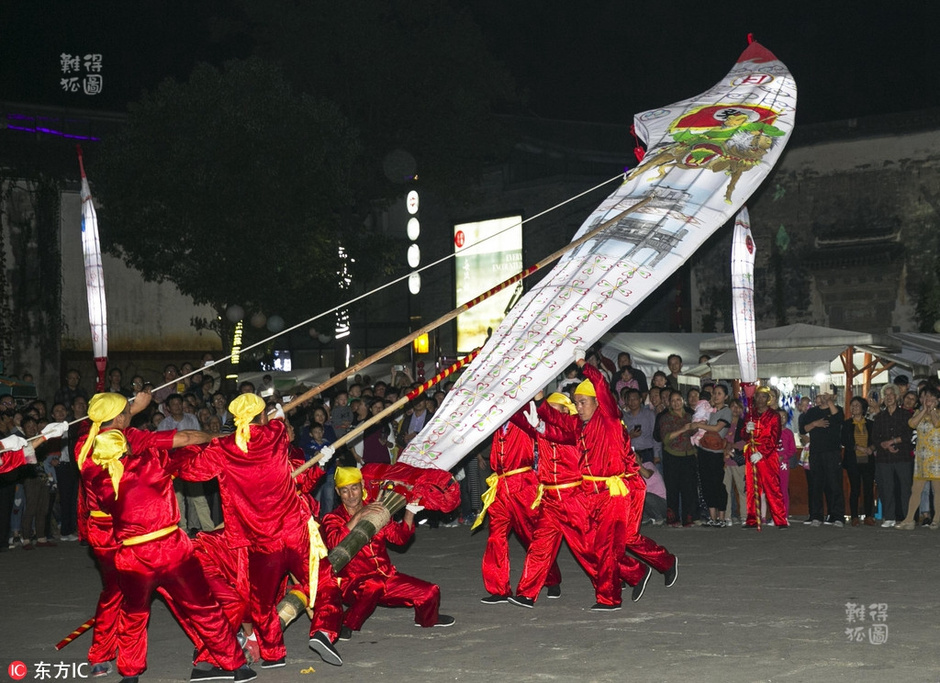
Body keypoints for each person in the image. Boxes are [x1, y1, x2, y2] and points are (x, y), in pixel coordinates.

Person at [77, 393, 253, 683]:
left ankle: (130, 674)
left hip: (129, 555)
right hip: (171, 549)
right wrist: (225, 440)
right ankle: (237, 666)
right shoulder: (151, 460)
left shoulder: (93, 470)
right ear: (124, 435)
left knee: (133, 616)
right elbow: (187, 446)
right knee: (204, 608)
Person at [183, 394, 344, 668]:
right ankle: (323, 629)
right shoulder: (276, 432)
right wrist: (275, 416)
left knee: (261, 603)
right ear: (261, 417)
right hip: (293, 531)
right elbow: (275, 426)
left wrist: (184, 447)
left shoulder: (222, 447)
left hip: (261, 540)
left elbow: (191, 471)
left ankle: (272, 653)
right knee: (325, 581)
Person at [526, 353, 677, 611]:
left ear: (598, 402)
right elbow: (558, 420)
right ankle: (662, 562)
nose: (579, 407)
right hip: (590, 494)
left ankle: (609, 598)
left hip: (615, 491)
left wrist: (584, 364)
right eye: (576, 403)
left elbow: (601, 387)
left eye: (583, 402)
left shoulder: (606, 416)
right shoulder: (580, 424)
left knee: (608, 545)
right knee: (619, 540)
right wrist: (540, 403)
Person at [323, 466, 454, 635]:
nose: (351, 495)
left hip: (386, 576)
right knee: (373, 585)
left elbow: (400, 539)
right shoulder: (333, 518)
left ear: (362, 485)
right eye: (345, 491)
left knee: (431, 591)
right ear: (337, 492)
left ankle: (428, 619)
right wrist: (358, 516)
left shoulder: (377, 509)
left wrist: (410, 512)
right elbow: (335, 544)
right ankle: (346, 625)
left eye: (354, 488)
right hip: (352, 585)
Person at [474, 407, 561, 604]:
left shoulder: (524, 416)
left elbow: (536, 428)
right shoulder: (497, 421)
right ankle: (499, 589)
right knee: (495, 537)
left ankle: (551, 578)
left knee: (532, 535)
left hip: (523, 484)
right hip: (500, 486)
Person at [742, 387, 789, 528]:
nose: (761, 399)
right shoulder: (750, 414)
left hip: (767, 455)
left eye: (764, 397)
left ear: (768, 398)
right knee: (752, 487)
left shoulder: (774, 416)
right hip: (751, 453)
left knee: (772, 487)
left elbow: (774, 438)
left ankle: (780, 519)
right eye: (758, 396)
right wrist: (746, 430)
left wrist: (762, 452)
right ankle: (752, 518)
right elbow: (744, 436)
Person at [870, 385, 914, 528]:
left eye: (891, 394)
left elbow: (909, 435)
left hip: (903, 457)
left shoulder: (906, 414)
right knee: (886, 487)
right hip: (884, 457)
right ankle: (889, 517)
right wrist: (884, 444)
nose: (889, 397)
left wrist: (893, 441)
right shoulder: (879, 417)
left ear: (897, 397)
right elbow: (874, 437)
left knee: (905, 488)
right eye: (886, 395)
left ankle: (907, 518)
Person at [897, 387, 940, 529]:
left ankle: (936, 519)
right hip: (921, 458)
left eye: (932, 398)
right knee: (916, 490)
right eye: (925, 397)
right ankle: (909, 519)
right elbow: (912, 424)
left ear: (938, 400)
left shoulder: (938, 413)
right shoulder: (918, 413)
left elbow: (937, 423)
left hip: (936, 458)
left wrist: (932, 410)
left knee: (937, 490)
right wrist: (923, 410)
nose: (928, 401)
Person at [799, 393, 845, 527]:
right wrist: (815, 424)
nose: (821, 397)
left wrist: (829, 401)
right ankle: (816, 516)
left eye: (824, 395)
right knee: (816, 485)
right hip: (816, 452)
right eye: (819, 395)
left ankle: (838, 516)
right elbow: (803, 428)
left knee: (835, 484)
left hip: (832, 452)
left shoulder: (837, 409)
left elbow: (839, 419)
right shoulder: (812, 412)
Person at [692, 384, 731, 526]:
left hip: (716, 452)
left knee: (717, 484)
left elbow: (716, 428)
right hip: (704, 449)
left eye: (720, 393)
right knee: (706, 483)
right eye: (714, 393)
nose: (716, 396)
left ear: (726, 396)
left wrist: (699, 426)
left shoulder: (726, 411)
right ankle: (712, 517)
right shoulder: (709, 409)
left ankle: (722, 517)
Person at [658, 390, 698, 527]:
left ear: (683, 401)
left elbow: (696, 432)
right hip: (672, 456)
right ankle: (673, 519)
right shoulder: (665, 418)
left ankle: (688, 518)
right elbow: (666, 438)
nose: (676, 403)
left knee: (689, 488)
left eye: (678, 400)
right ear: (669, 402)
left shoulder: (690, 416)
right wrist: (683, 429)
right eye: (673, 400)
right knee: (673, 488)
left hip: (689, 456)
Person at [842, 397, 876, 526]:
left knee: (868, 489)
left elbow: (875, 440)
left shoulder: (870, 423)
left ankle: (868, 516)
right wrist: (859, 447)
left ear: (863, 409)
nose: (854, 408)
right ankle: (854, 516)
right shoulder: (846, 424)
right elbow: (844, 440)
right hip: (853, 461)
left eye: (857, 405)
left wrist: (871, 448)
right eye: (852, 405)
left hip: (868, 461)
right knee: (855, 489)